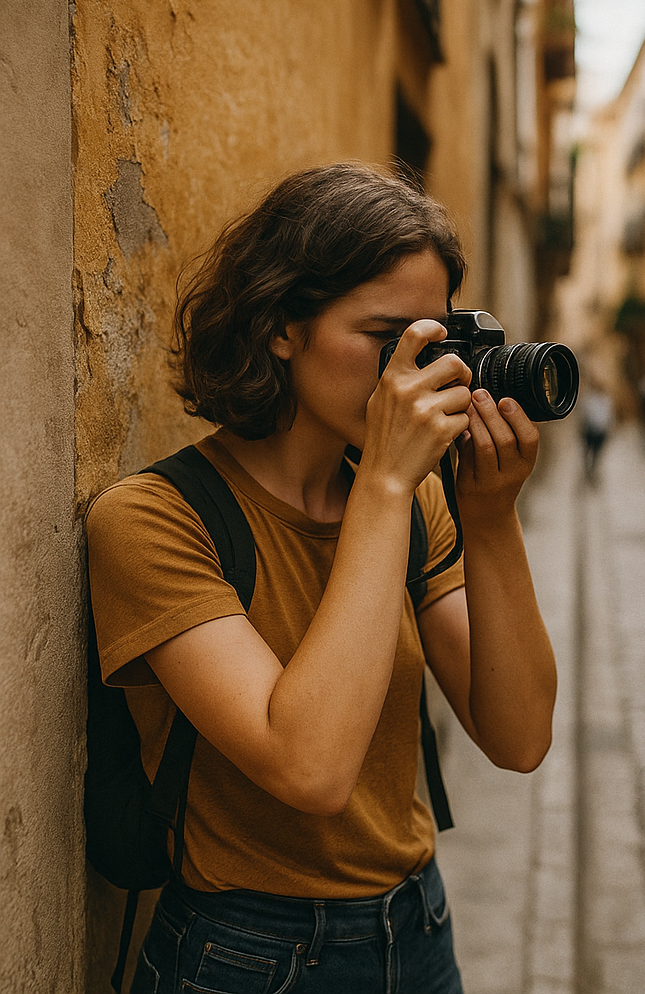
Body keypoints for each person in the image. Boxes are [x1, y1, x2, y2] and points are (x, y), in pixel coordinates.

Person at [86, 162, 558, 993]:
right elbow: (310, 769)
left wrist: (490, 518)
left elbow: (519, 738)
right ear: (281, 327)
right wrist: (382, 483)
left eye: (436, 342)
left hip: (419, 930)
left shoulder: (419, 508)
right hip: (246, 955)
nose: (419, 372)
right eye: (390, 341)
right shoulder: (153, 520)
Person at [581, 381, 614, 484]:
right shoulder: (592, 400)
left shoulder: (604, 401)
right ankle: (590, 469)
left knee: (594, 452)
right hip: (593, 430)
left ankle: (592, 469)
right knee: (590, 451)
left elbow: (608, 417)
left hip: (598, 431)